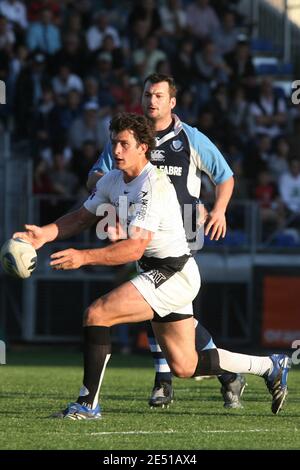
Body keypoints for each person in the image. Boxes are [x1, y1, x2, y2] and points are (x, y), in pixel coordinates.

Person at [14, 112, 290, 419]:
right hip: (165, 273)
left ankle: (87, 405)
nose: (116, 151)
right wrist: (45, 234)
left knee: (97, 314)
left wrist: (83, 257)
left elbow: (134, 247)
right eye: (113, 143)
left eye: (123, 144)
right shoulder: (113, 180)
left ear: (143, 146)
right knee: (185, 366)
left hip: (172, 273)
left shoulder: (153, 185)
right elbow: (81, 217)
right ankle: (270, 365)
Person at [87, 73, 246, 409]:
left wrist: (219, 210)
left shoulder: (191, 138)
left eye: (159, 95)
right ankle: (226, 374)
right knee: (168, 307)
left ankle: (164, 380)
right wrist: (110, 196)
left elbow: (225, 176)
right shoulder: (127, 138)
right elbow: (95, 176)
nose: (151, 101)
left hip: (180, 232)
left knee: (155, 296)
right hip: (141, 229)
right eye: (147, 94)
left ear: (172, 102)